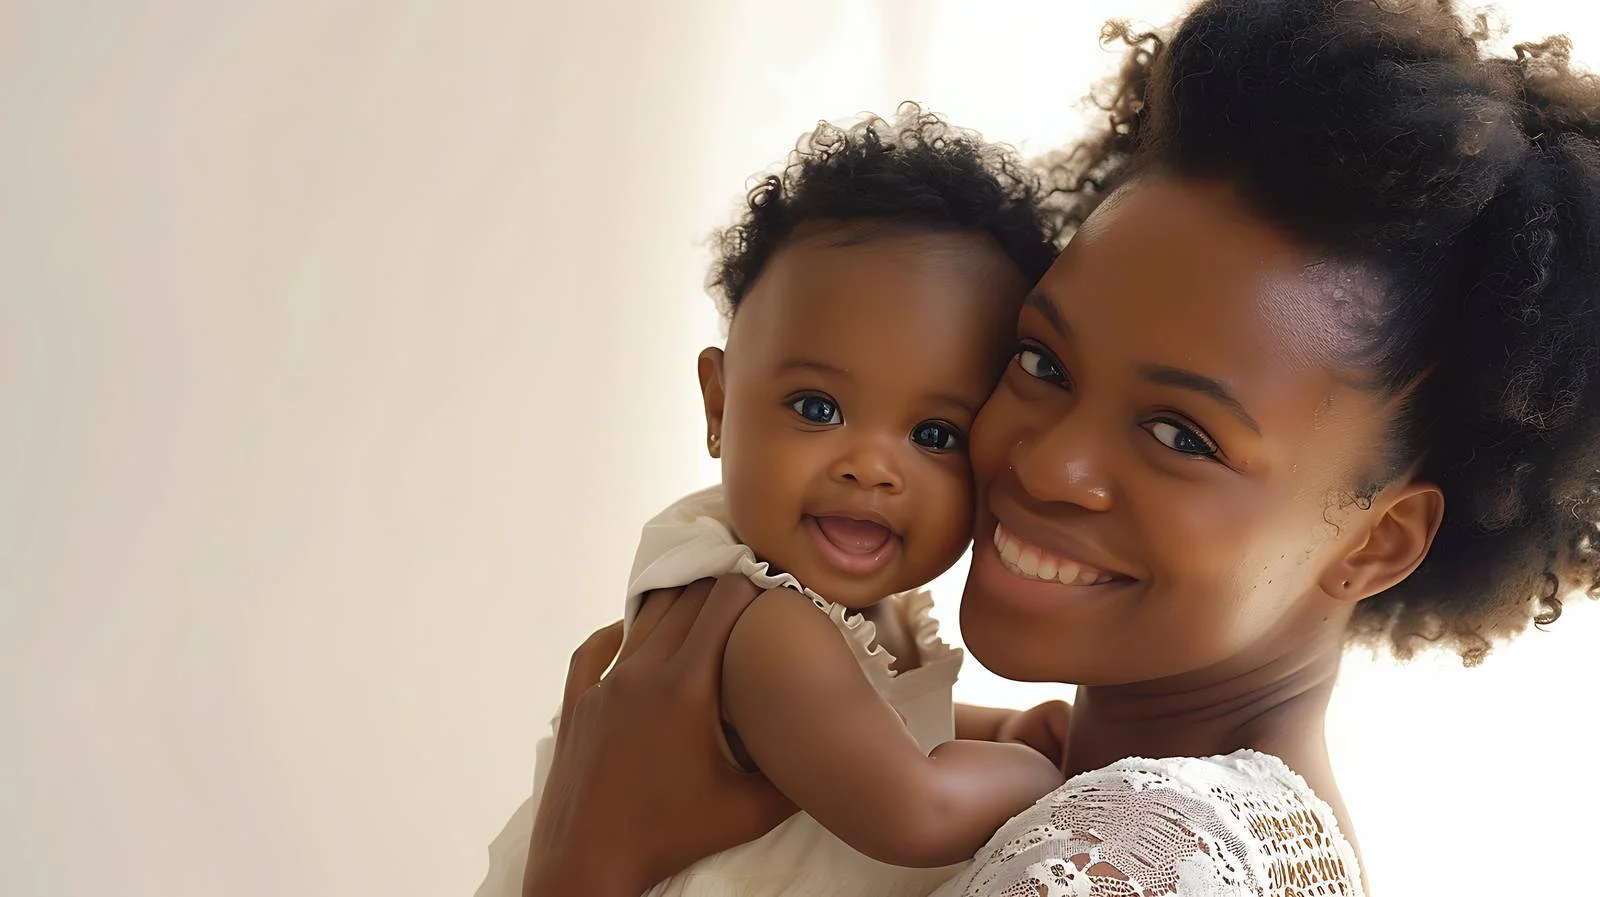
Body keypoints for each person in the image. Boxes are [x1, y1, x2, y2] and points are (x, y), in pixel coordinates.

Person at [522, 1, 1600, 894]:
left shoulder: (1120, 864)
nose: (1041, 464)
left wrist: (591, 859)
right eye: (1042, 362)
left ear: (1374, 542)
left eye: (1180, 434)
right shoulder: (1199, 825)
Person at [478, 108, 1080, 897]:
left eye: (934, 432)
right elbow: (914, 807)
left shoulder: (845, 611)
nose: (870, 467)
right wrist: (1038, 770)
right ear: (719, 404)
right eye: (818, 408)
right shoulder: (763, 623)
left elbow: (851, 736)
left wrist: (995, 726)